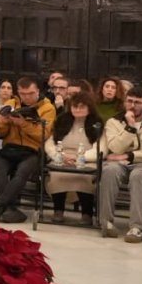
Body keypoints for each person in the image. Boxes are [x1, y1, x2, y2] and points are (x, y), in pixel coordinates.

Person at [98, 86, 142, 241]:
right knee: (109, 171)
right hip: (118, 162)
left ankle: (137, 227)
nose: (133, 105)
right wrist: (129, 127)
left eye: (137, 102)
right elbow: (114, 147)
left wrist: (131, 155)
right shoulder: (113, 122)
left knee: (138, 176)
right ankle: (106, 222)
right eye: (129, 101)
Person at [0, 78, 57, 222]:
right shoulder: (11, 104)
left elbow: (43, 135)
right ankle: (9, 209)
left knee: (22, 172)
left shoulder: (48, 108)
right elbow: (1, 134)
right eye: (23, 94)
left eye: (30, 93)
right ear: (18, 92)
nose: (27, 97)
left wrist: (23, 124)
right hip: (10, 147)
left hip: (32, 150)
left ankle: (1, 205)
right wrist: (3, 123)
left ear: (38, 91)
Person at [43, 92, 102, 226]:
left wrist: (79, 158)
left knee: (84, 176)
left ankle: (87, 214)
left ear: (89, 107)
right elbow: (50, 143)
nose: (78, 109)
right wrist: (60, 156)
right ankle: (58, 211)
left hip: (86, 159)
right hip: (62, 157)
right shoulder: (62, 120)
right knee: (57, 173)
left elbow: (100, 147)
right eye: (75, 106)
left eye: (82, 107)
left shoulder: (97, 124)